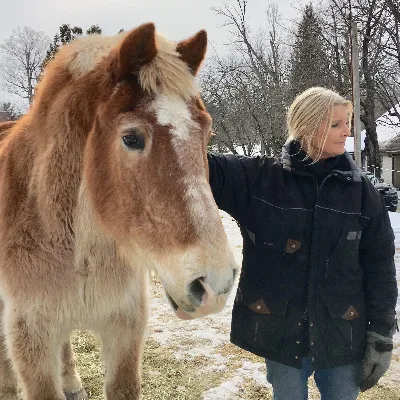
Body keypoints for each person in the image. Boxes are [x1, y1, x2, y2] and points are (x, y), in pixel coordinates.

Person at [208, 87, 398, 400]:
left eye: (347, 122)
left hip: (342, 332)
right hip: (281, 332)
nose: (347, 132)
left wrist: (381, 335)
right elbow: (200, 167)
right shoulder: (260, 180)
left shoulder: (362, 193)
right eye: (336, 124)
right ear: (308, 127)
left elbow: (380, 267)